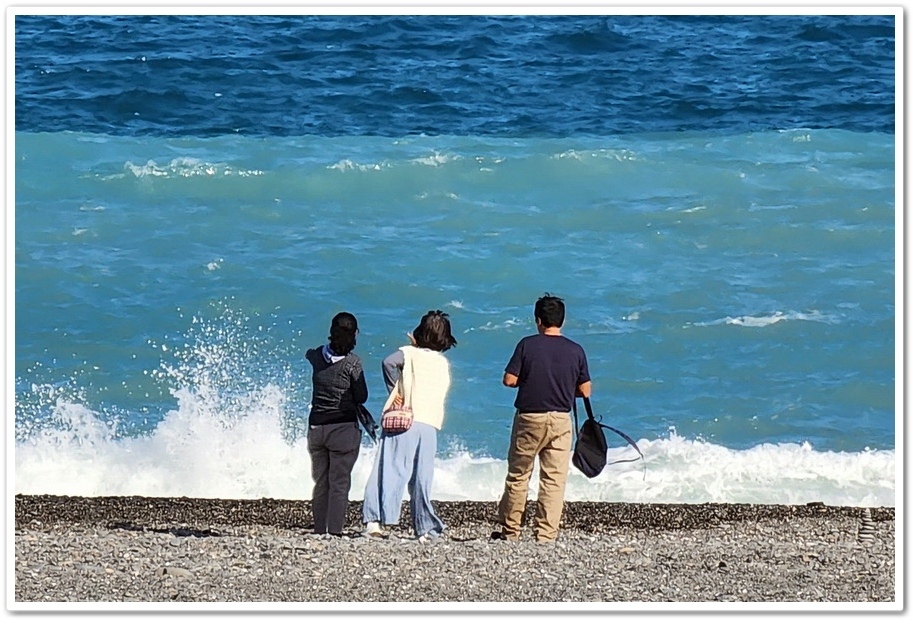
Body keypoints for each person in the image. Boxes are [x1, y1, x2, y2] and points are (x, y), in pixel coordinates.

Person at [493, 294, 591, 543]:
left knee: (519, 474)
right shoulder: (575, 350)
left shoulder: (527, 344)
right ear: (562, 321)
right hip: (560, 419)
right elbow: (585, 390)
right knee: (554, 479)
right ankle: (546, 535)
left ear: (538, 320)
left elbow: (509, 380)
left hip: (529, 416)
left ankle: (511, 531)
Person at [362, 310, 457, 541]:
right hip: (429, 423)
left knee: (389, 469)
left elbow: (388, 363)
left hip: (405, 418)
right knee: (422, 477)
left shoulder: (409, 353)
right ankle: (424, 527)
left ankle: (374, 521)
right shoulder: (442, 363)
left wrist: (397, 390)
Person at [305, 312, 369, 536]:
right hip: (342, 428)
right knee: (339, 483)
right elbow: (361, 396)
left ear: (331, 332)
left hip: (316, 428)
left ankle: (319, 529)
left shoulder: (316, 357)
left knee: (321, 482)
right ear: (354, 335)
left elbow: (310, 354)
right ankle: (334, 531)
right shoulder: (353, 364)